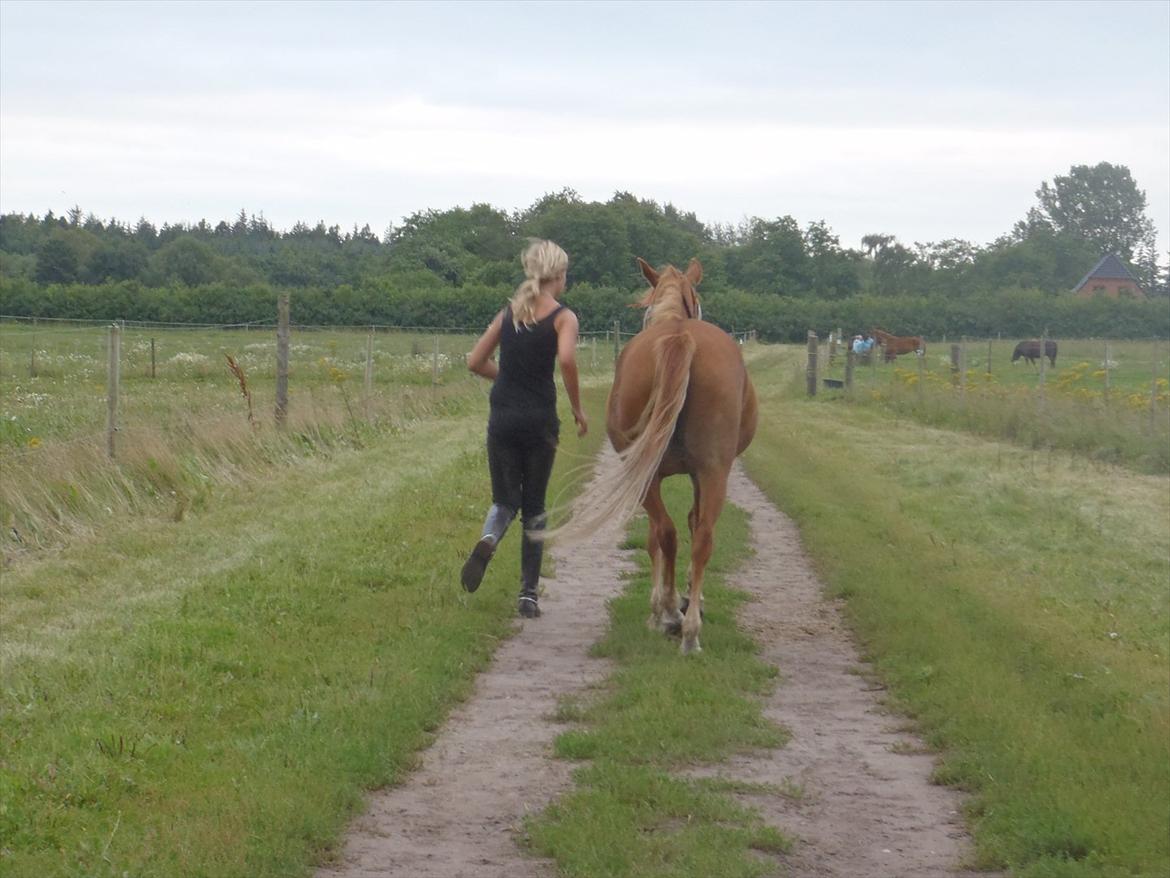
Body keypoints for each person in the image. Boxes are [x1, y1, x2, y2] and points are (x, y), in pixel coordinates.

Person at [462, 239, 588, 618]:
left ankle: (488, 538)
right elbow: (566, 358)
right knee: (534, 506)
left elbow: (474, 361)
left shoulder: (509, 314)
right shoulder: (564, 317)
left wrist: (508, 377)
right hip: (539, 420)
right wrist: (578, 409)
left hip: (502, 416)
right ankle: (528, 595)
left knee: (504, 501)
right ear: (559, 275)